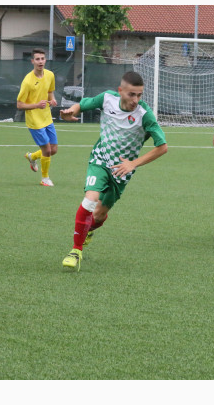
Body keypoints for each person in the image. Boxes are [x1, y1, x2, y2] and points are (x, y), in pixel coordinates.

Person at [59, 71, 168, 271]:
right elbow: (83, 104)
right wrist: (71, 111)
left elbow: (162, 147)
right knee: (90, 199)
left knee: (99, 215)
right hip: (100, 160)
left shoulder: (145, 115)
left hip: (121, 171)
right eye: (131, 94)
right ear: (120, 91)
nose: (136, 100)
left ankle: (89, 230)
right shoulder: (107, 98)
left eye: (139, 95)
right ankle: (75, 251)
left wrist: (133, 164)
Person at [17, 48, 58, 186]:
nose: (40, 61)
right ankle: (44, 178)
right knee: (46, 149)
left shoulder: (50, 75)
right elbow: (19, 104)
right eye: (37, 59)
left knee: (53, 150)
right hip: (34, 120)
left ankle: (32, 156)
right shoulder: (28, 81)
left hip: (47, 117)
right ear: (32, 61)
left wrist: (52, 100)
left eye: (42, 58)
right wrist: (36, 105)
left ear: (45, 60)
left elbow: (50, 92)